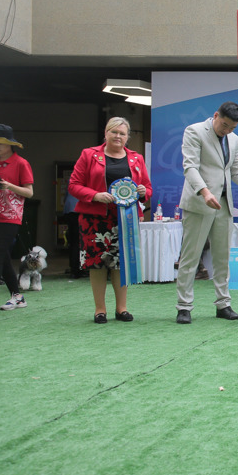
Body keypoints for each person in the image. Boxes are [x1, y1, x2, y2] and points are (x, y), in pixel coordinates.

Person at [175, 102, 238, 324]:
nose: (227, 131)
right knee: (190, 256)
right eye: (224, 125)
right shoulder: (194, 131)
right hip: (199, 202)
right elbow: (190, 167)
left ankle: (223, 304)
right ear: (215, 115)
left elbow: (235, 172)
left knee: (222, 257)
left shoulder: (233, 139)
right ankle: (184, 306)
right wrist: (205, 192)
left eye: (232, 128)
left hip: (224, 205)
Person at [68, 117, 152, 323]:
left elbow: (147, 187)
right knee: (97, 264)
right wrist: (95, 195)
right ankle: (100, 309)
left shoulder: (136, 158)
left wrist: (143, 192)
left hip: (126, 219)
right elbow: (74, 185)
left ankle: (122, 308)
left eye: (122, 133)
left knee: (121, 263)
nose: (118, 136)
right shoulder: (89, 155)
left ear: (128, 137)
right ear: (105, 133)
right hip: (94, 219)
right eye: (114, 132)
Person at [0, 124, 34, 312]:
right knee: (3, 257)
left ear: (11, 144)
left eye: (0, 143)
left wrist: (9, 186)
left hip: (10, 217)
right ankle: (17, 296)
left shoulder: (21, 163)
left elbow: (29, 192)